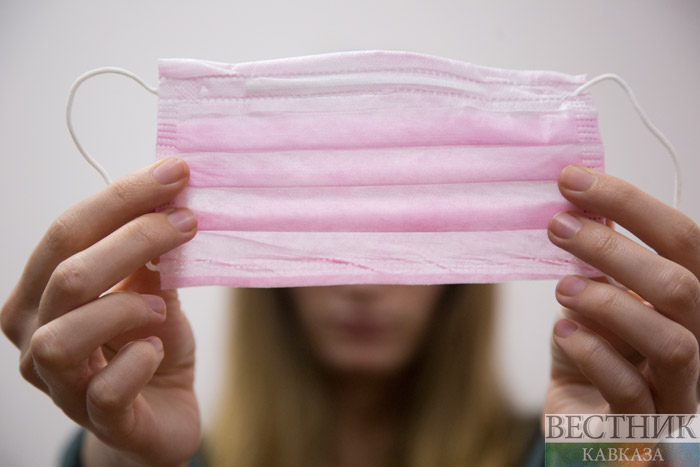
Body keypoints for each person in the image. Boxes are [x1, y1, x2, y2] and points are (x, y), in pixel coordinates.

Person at [2, 157, 699, 467]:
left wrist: (618, 449)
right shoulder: (181, 456)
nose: (364, 286)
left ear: (458, 281)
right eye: (326, 237)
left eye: (407, 239)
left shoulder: (560, 448)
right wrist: (124, 455)